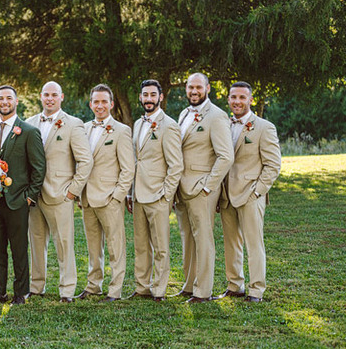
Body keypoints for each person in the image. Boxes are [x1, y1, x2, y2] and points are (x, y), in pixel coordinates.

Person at [26, 81, 92, 303]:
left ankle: (67, 289)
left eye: (54, 95)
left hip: (60, 194)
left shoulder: (73, 124)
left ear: (61, 97)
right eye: (46, 94)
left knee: (64, 243)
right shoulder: (29, 123)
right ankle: (36, 286)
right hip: (34, 195)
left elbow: (85, 160)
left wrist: (73, 191)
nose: (50, 99)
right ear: (41, 96)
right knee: (36, 242)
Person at [218, 81, 281, 302]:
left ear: (250, 100)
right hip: (226, 195)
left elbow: (273, 165)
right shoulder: (222, 124)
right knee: (231, 243)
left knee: (254, 244)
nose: (237, 101)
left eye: (242, 97)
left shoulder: (264, 127)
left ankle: (256, 290)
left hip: (250, 194)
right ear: (228, 99)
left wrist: (258, 192)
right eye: (233, 97)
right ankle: (235, 285)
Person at [0, 86, 46, 305]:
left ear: (16, 101)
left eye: (9, 98)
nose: (4, 102)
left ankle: (22, 292)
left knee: (19, 249)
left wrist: (29, 196)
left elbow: (39, 167)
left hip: (18, 200)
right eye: (0, 98)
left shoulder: (28, 131)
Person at [174, 73, 233, 303]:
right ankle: (189, 285)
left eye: (198, 87)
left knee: (204, 239)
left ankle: (203, 291)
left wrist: (209, 186)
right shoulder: (183, 113)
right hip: (182, 187)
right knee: (187, 238)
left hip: (201, 189)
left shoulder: (216, 116)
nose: (194, 91)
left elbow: (226, 156)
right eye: (190, 87)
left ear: (208, 88)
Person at [125, 80, 183, 302]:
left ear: (160, 97)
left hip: (158, 195)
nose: (148, 99)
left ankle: (159, 290)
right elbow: (135, 161)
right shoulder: (138, 124)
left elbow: (176, 165)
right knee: (140, 246)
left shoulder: (169, 125)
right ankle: (142, 288)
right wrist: (131, 193)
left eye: (152, 95)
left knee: (160, 247)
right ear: (140, 98)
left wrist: (166, 194)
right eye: (145, 95)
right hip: (138, 195)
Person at [78, 84, 134, 302]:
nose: (100, 106)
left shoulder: (121, 131)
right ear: (90, 104)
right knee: (93, 246)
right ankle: (94, 285)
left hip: (110, 197)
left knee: (115, 245)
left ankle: (115, 290)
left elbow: (128, 168)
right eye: (96, 102)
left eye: (104, 102)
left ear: (111, 104)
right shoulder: (83, 128)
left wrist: (118, 196)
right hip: (87, 197)